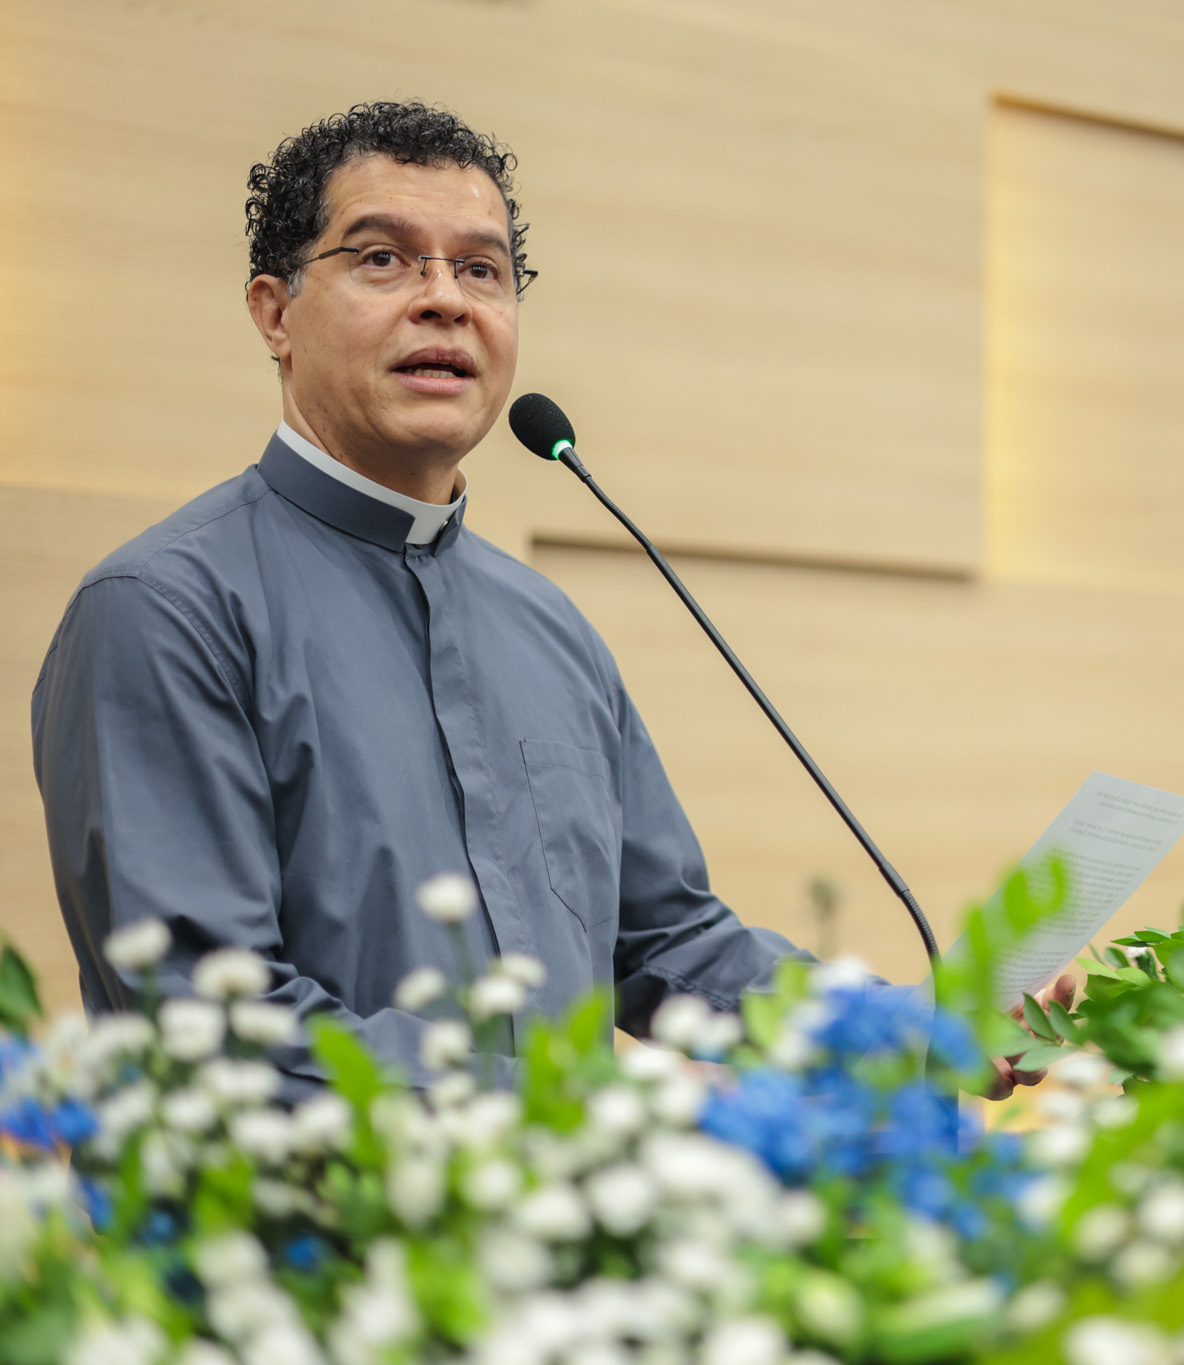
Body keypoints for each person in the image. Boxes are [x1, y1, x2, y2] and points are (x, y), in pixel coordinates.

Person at [32, 101, 1064, 1097]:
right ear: (275, 313)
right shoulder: (164, 610)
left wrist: (913, 1030)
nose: (445, 299)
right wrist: (582, 1118)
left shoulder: (548, 627)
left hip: (570, 1252)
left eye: (481, 269)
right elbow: (211, 1025)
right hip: (296, 1261)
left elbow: (664, 941)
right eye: (384, 258)